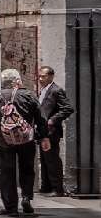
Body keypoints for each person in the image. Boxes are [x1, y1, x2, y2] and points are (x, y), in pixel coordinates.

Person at [0, 69, 50, 215]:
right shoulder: (29, 95)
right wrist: (44, 137)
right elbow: (41, 118)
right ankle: (26, 197)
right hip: (26, 139)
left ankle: (10, 206)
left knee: (5, 172)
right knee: (27, 169)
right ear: (17, 81)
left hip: (4, 140)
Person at [36, 66, 74, 196]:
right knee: (45, 159)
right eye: (39, 76)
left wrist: (53, 120)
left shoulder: (56, 90)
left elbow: (68, 108)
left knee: (52, 159)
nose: (40, 79)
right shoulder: (43, 90)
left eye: (44, 76)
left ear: (51, 76)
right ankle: (46, 186)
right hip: (42, 131)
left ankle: (57, 189)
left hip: (51, 131)